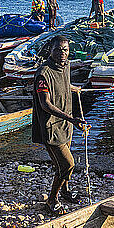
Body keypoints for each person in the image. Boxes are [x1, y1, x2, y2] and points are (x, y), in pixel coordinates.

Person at [32, 35, 85, 216]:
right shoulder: (43, 74)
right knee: (67, 164)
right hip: (51, 127)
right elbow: (45, 104)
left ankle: (65, 190)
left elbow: (63, 84)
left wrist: (73, 88)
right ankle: (52, 199)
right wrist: (72, 119)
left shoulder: (66, 66)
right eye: (57, 50)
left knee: (61, 164)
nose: (62, 53)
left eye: (65, 50)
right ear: (50, 50)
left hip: (65, 125)